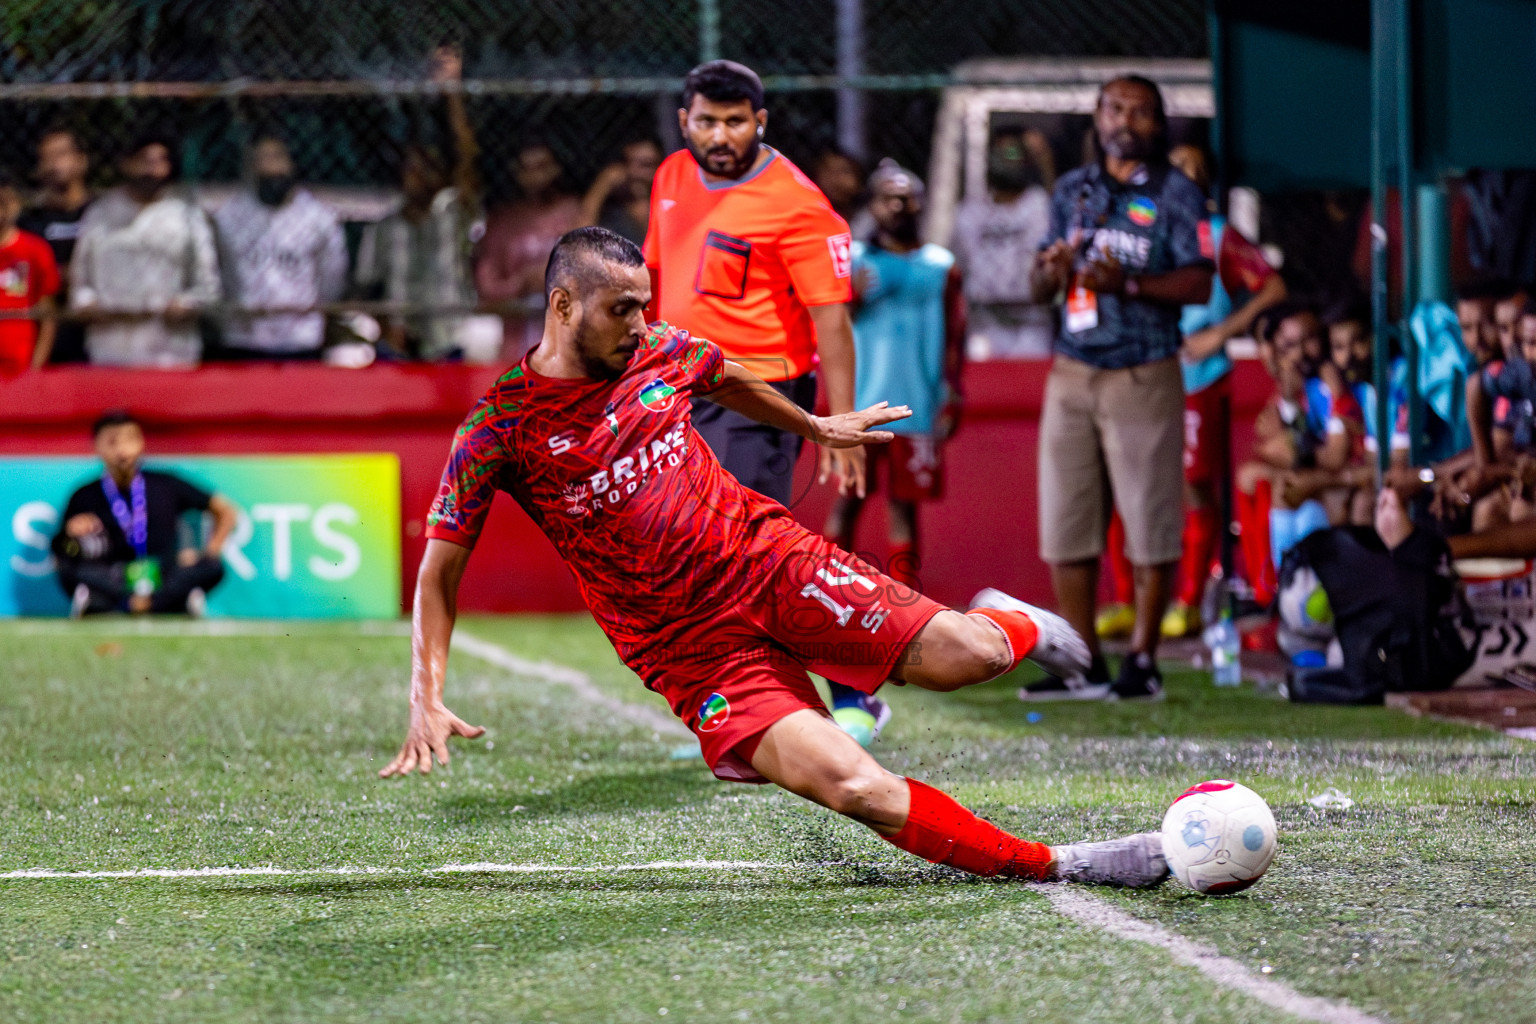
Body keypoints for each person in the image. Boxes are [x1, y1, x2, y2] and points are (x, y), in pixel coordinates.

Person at [379, 226, 1168, 892]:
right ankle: (1062, 863)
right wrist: (426, 694)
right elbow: (439, 570)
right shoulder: (498, 427)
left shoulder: (661, 351)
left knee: (969, 656)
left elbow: (726, 374)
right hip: (693, 655)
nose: (640, 324)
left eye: (645, 306)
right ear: (563, 306)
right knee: (855, 784)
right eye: (622, 309)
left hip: (772, 564)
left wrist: (815, 427)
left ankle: (1014, 625)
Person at [645, 61, 881, 740]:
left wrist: (839, 426)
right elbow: (659, 285)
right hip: (681, 389)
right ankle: (743, 707)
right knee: (697, 558)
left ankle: (847, 691)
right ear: (684, 120)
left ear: (761, 123)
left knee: (741, 556)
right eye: (707, 121)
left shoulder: (801, 206)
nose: (721, 135)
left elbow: (833, 323)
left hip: (760, 396)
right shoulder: (671, 176)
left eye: (736, 121)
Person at [1024, 76, 1214, 700]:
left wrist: (1127, 285)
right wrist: (1047, 273)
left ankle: (1143, 661)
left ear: (1158, 124)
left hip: (1142, 369)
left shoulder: (1178, 193)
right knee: (1067, 520)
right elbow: (1038, 289)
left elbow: (1200, 282)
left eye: (1138, 111)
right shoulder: (1071, 191)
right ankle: (1085, 663)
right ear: (1096, 117)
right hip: (1073, 367)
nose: (1124, 120)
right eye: (1113, 108)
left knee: (1148, 521)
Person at [822, 161, 963, 689]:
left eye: (907, 197)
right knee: (848, 499)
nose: (898, 207)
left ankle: (903, 618)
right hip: (860, 406)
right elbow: (833, 321)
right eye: (888, 198)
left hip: (917, 403)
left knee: (904, 510)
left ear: (922, 203)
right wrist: (850, 293)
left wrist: (955, 389)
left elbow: (957, 331)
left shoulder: (941, 265)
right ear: (872, 204)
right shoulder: (853, 260)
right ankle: (834, 606)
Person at [355, 45, 481, 361]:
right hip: (397, 344)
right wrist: (384, 326)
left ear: (441, 177)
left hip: (447, 340)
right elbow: (366, 287)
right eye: (412, 167)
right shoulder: (385, 227)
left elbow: (467, 160)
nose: (418, 175)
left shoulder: (452, 213)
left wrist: (451, 95)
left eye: (427, 167)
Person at [51, 410, 238, 617]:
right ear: (97, 447)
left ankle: (118, 605)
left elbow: (225, 510)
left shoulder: (166, 483)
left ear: (141, 442)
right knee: (70, 568)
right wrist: (71, 535)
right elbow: (61, 551)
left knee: (212, 567)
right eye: (112, 442)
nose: (122, 451)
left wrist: (211, 549)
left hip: (162, 573)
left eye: (130, 440)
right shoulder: (84, 495)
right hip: (114, 576)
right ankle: (164, 605)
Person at [70, 130, 221, 367]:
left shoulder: (186, 215)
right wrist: (88, 304)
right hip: (111, 350)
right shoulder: (100, 213)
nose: (151, 166)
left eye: (160, 159)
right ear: (125, 163)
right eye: (144, 158)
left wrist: (187, 304)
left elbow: (208, 284)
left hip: (171, 352)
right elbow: (81, 279)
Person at [213, 133, 348, 359]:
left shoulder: (319, 217)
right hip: (244, 336)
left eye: (276, 157)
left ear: (292, 164)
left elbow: (332, 277)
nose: (270, 167)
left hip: (300, 336)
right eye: (261, 159)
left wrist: (317, 315)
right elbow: (218, 273)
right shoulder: (228, 216)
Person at [951, 129, 1055, 359]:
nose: (1007, 159)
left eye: (1014, 152)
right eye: (1001, 152)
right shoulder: (970, 211)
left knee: (1030, 389)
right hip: (985, 321)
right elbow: (959, 267)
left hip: (1032, 322)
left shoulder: (1040, 205)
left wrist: (1045, 160)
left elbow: (1062, 208)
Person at [475, 140, 584, 357]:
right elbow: (487, 286)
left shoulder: (573, 212)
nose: (536, 176)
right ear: (517, 173)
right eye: (527, 169)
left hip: (567, 324)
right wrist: (522, 283)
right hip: (517, 331)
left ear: (557, 169)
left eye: (542, 167)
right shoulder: (503, 221)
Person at [19, 125, 92, 364]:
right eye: (46, 158)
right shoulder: (30, 222)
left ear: (81, 161)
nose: (53, 164)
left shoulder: (101, 215)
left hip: (98, 334)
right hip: (48, 339)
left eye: (60, 154)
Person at [0, 170, 61, 374]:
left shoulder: (35, 250)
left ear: (17, 204)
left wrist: (35, 370)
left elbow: (47, 315)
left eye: (5, 202)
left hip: (20, 367)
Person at [581, 137, 664, 246]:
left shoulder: (666, 202)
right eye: (628, 163)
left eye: (646, 165)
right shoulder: (613, 207)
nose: (634, 172)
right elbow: (581, 235)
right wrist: (603, 183)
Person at [811, 147, 874, 241]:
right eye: (827, 170)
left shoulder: (871, 217)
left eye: (843, 171)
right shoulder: (809, 212)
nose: (833, 178)